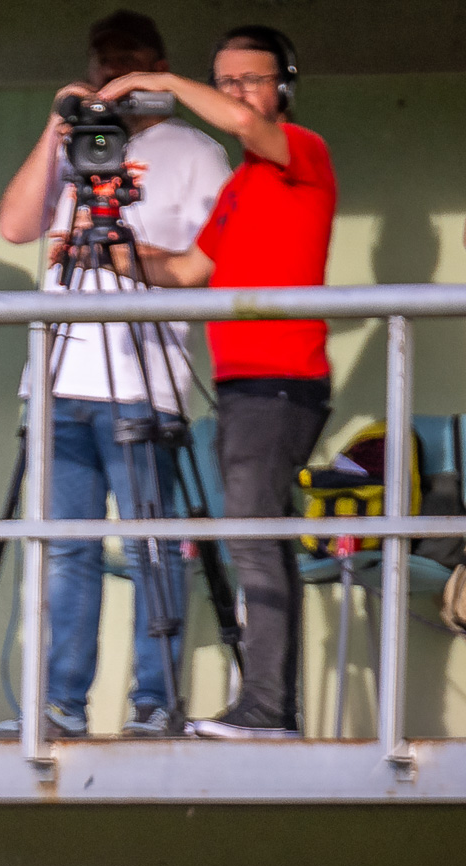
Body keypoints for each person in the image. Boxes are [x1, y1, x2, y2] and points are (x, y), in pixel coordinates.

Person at [0, 11, 230, 740]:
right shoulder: (75, 147)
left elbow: (208, 266)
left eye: (129, 63)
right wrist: (56, 127)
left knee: (152, 545)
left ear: (157, 68)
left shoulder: (195, 150)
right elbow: (13, 226)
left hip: (144, 377)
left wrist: (129, 255)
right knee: (66, 549)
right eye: (102, 63)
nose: (113, 76)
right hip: (63, 381)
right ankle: (63, 704)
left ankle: (154, 703)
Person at [100, 26, 337, 738]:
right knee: (258, 534)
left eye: (251, 79)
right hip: (240, 385)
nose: (238, 95)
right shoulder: (240, 186)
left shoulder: (304, 152)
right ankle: (269, 706)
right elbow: (185, 272)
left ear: (283, 86)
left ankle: (267, 708)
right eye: (226, 81)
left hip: (281, 380)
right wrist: (110, 243)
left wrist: (166, 87)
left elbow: (241, 125)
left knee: (253, 538)